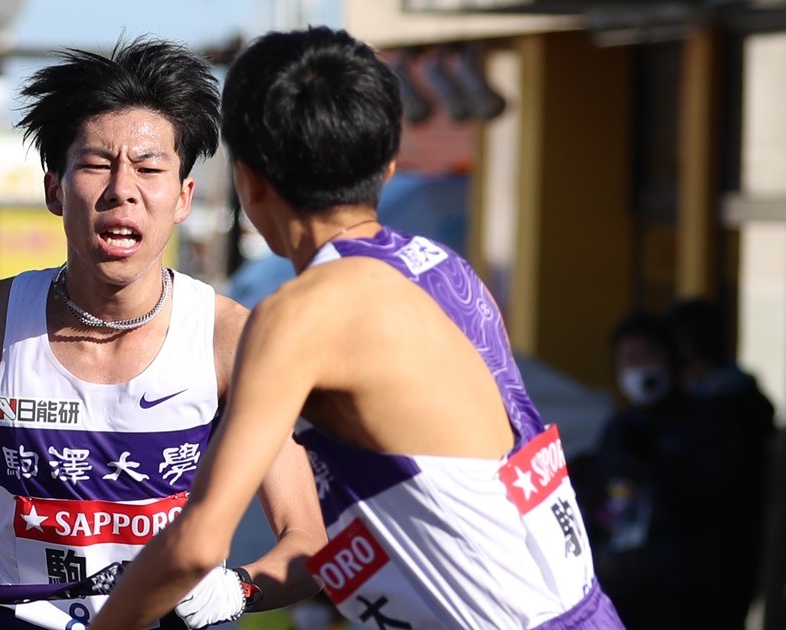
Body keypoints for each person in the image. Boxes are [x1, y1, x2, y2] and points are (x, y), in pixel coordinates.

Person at [92, 27, 622, 629]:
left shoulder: (302, 314)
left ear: (250, 179)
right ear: (390, 162)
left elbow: (195, 544)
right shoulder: (440, 269)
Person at [0, 38, 326, 630]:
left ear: (182, 198)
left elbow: (306, 541)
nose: (122, 189)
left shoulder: (231, 337)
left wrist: (237, 590)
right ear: (54, 189)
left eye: (149, 169)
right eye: (97, 164)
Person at [573, 313, 720, 628]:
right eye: (628, 358)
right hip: (619, 585)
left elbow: (711, 495)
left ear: (671, 358)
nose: (638, 366)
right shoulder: (619, 428)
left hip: (679, 592)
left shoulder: (703, 422)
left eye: (647, 354)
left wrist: (652, 468)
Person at [664, 298, 776, 627]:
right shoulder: (746, 402)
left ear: (685, 348)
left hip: (710, 569)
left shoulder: (716, 414)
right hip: (739, 561)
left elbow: (706, 491)